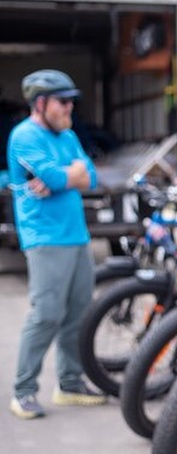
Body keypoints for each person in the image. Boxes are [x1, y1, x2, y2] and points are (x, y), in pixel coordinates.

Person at [7, 69, 107, 419]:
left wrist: (67, 177)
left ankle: (70, 384)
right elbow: (56, 177)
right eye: (63, 101)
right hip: (45, 239)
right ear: (40, 103)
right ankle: (23, 391)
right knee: (46, 314)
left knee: (78, 313)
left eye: (71, 101)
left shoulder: (66, 136)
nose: (70, 107)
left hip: (77, 236)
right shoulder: (24, 137)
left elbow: (89, 176)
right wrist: (67, 176)